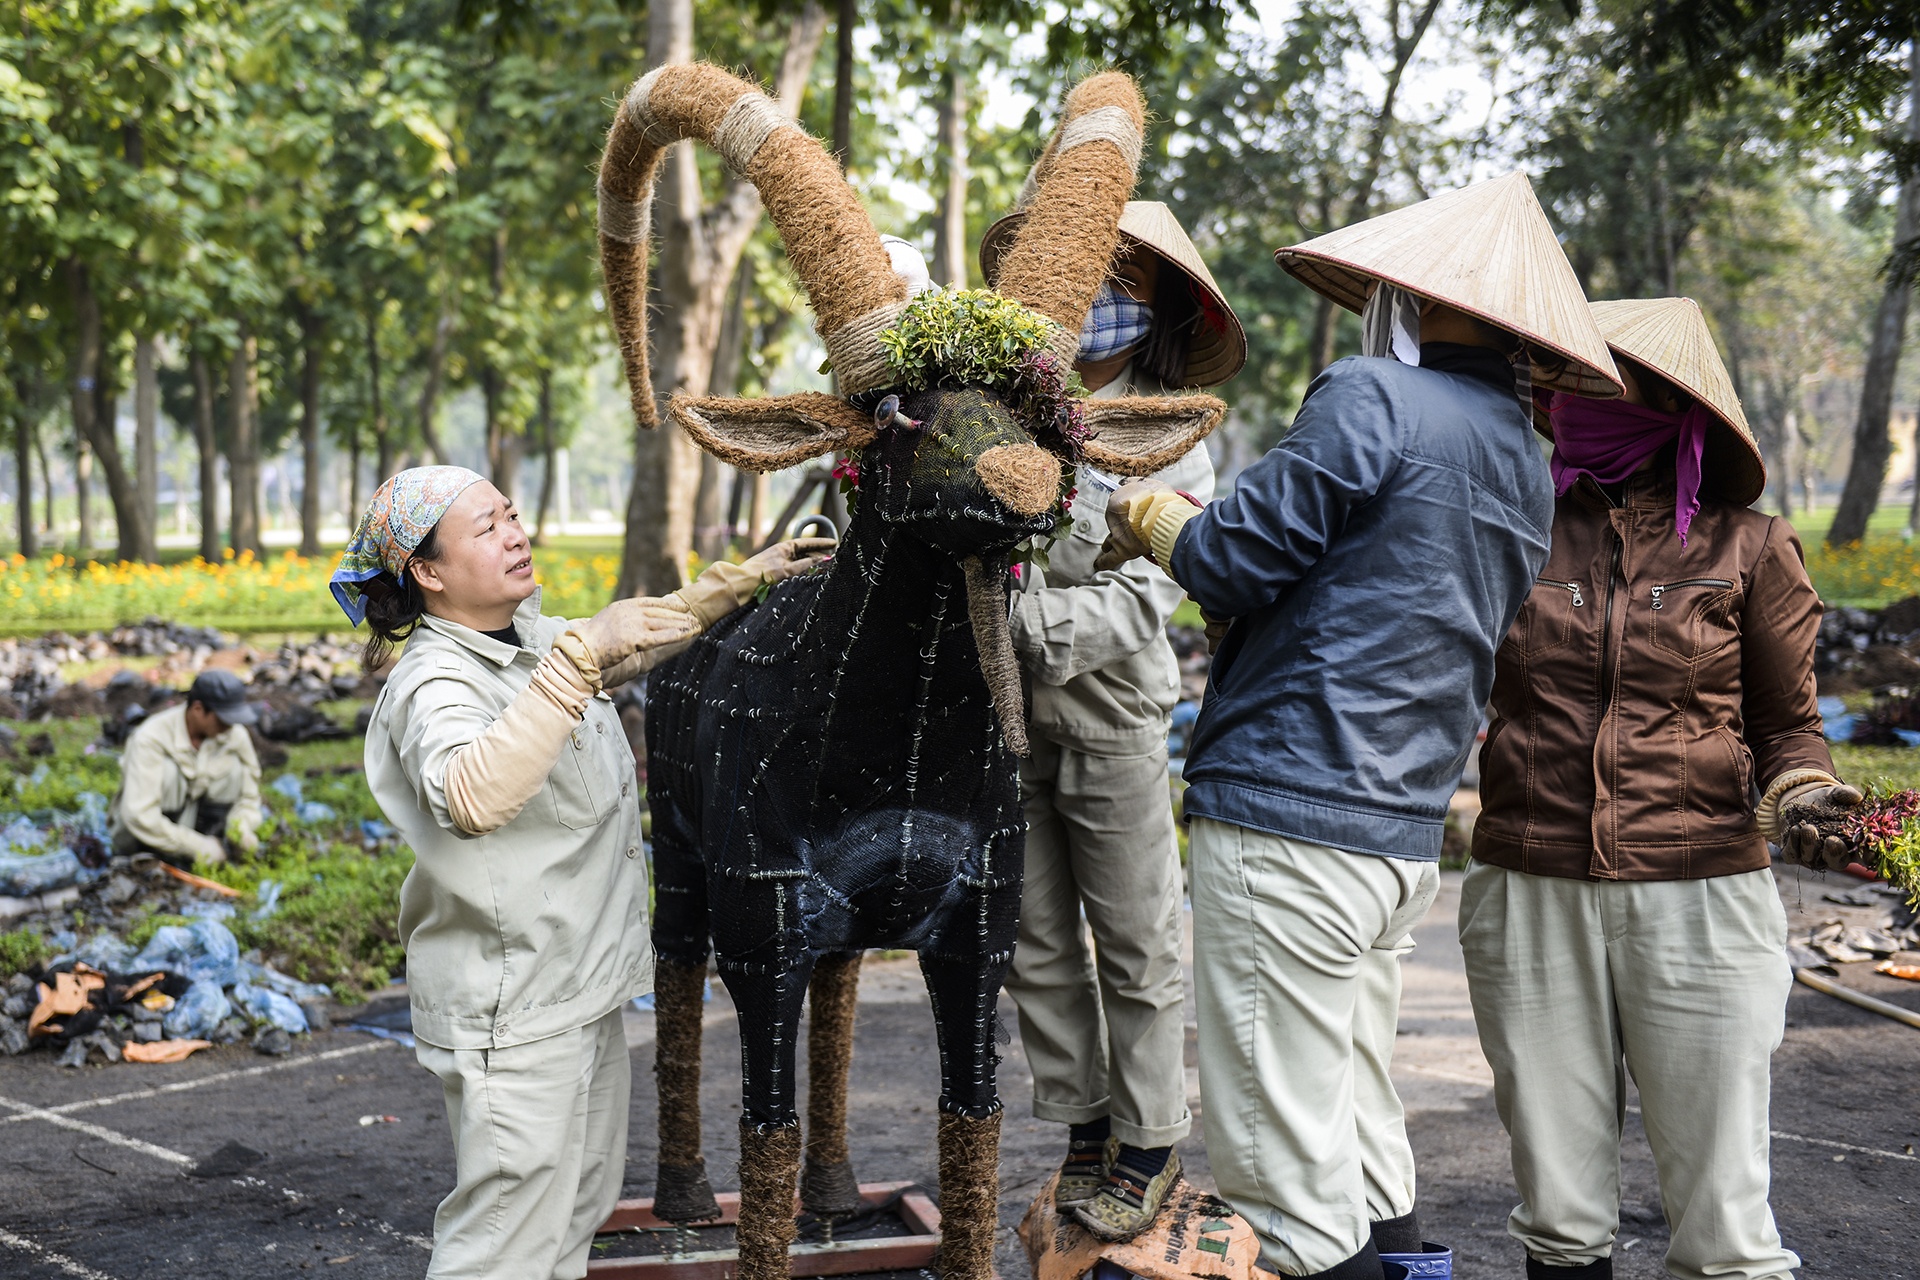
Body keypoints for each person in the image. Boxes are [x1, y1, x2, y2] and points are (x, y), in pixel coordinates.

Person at [1095, 173, 1622, 1280]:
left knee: (1282, 1175)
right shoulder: (1524, 461)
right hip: (1397, 832)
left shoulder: (1372, 393)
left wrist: (1145, 513)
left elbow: (1235, 559)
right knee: (1354, 1110)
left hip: (1291, 811)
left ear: (1420, 300)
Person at [341, 465, 831, 1280]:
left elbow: (633, 631)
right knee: (503, 1244)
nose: (515, 533)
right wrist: (574, 668)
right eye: (487, 528)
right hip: (515, 1012)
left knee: (572, 1215)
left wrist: (746, 578)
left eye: (512, 514)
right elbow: (471, 792)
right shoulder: (434, 685)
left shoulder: (527, 641)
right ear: (426, 573)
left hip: (579, 992)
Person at [1459, 296, 1857, 1280]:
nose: (1568, 397)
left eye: (1597, 378)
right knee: (1558, 1211)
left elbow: (1787, 722)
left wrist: (1806, 792)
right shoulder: (1511, 530)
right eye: (1562, 379)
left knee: (1725, 1222)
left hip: (1703, 895)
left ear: (1670, 401)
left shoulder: (1750, 547)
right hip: (1530, 883)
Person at [978, 201, 1245, 1239]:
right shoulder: (998, 410)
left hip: (1111, 710)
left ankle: (1149, 1134)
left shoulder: (1171, 436)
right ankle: (1084, 1120)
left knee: (1134, 936)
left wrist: (1014, 617)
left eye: (1120, 284)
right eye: (1083, 275)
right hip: (1000, 718)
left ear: (1156, 307)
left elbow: (1146, 594)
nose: (1095, 302)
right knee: (1036, 938)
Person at [109, 669, 264, 866]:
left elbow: (249, 796)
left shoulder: (234, 735)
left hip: (202, 833)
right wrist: (197, 847)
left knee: (234, 769)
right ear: (198, 709)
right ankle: (169, 856)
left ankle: (215, 843)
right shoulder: (150, 738)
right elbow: (139, 816)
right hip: (145, 841)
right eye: (223, 718)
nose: (229, 725)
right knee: (170, 772)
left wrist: (241, 827)